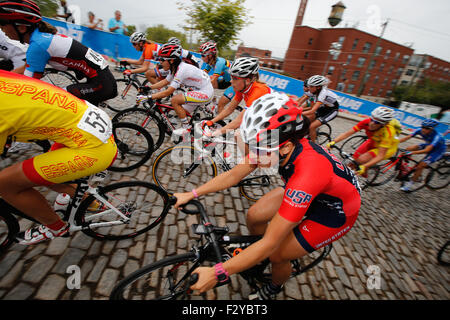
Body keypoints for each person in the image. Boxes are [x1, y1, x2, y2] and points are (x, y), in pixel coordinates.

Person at [173, 92, 361, 300]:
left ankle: (274, 286)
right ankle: (256, 257)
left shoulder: (306, 172)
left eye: (258, 149)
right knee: (255, 215)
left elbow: (272, 242)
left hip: (335, 212)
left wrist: (219, 272)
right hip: (313, 188)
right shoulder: (277, 145)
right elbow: (234, 174)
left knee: (277, 253)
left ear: (286, 147)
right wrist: (191, 193)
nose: (252, 154)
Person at [0, 70, 118, 245]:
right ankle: (90, 202)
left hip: (92, 145)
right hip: (86, 121)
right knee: (43, 175)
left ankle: (55, 227)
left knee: (5, 184)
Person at [0, 0, 118, 106]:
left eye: (2, 23)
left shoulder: (38, 45)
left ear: (21, 28)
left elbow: (28, 86)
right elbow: (26, 68)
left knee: (56, 101)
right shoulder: (40, 38)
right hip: (100, 78)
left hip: (101, 84)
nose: (1, 28)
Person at [144, 43, 214, 138]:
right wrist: (148, 88)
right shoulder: (175, 67)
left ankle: (186, 129)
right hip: (198, 89)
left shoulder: (182, 70)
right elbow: (166, 81)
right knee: (180, 111)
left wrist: (148, 97)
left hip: (205, 92)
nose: (160, 62)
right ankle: (194, 131)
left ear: (171, 60)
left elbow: (168, 92)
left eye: (162, 59)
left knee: (175, 100)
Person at [326, 106, 401, 176]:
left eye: (377, 122)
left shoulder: (388, 133)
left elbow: (380, 156)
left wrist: (364, 166)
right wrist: (333, 141)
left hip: (387, 149)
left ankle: (357, 176)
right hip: (373, 141)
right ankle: (345, 174)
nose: (372, 123)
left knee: (362, 160)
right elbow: (347, 133)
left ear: (383, 124)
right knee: (354, 160)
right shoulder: (366, 122)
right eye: (372, 119)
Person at [208, 57, 271, 135]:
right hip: (262, 120)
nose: (231, 81)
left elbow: (239, 121)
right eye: (231, 77)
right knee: (238, 136)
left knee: (239, 135)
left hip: (275, 123)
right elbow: (229, 109)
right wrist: (211, 121)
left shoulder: (259, 90)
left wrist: (215, 133)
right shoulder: (242, 88)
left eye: (234, 78)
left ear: (247, 80)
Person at [398, 118, 446, 192]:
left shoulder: (437, 137)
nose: (423, 129)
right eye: (422, 126)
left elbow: (427, 150)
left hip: (438, 150)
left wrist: (412, 153)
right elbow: (406, 138)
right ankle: (408, 168)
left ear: (432, 129)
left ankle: (409, 185)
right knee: (408, 148)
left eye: (426, 128)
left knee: (421, 165)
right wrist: (394, 142)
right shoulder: (419, 130)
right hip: (428, 145)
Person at [199, 41, 235, 113]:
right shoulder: (210, 62)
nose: (201, 57)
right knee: (207, 80)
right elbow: (201, 74)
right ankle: (213, 100)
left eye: (203, 55)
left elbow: (213, 80)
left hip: (233, 84)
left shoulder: (219, 63)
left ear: (210, 55)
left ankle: (220, 123)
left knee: (220, 105)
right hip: (225, 81)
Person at [302, 75, 340, 143]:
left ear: (318, 87)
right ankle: (305, 134)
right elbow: (302, 100)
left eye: (311, 86)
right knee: (306, 119)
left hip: (332, 111)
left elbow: (312, 110)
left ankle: (314, 145)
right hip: (324, 108)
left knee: (312, 126)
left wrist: (298, 112)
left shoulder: (323, 94)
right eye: (308, 86)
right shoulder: (314, 91)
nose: (309, 88)